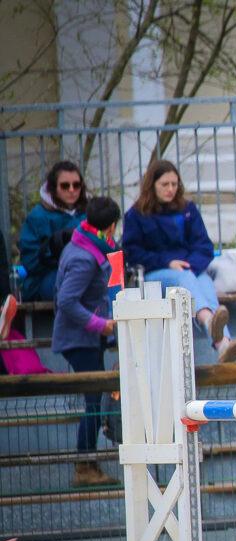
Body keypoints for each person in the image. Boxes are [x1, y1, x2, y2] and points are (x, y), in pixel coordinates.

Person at [123, 160, 236, 363]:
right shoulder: (136, 215)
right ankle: (210, 322)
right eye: (165, 184)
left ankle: (223, 344)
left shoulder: (187, 209)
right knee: (185, 277)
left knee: (204, 283)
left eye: (174, 184)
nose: (171, 189)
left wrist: (189, 264)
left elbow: (204, 246)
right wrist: (168, 262)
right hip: (157, 273)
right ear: (152, 185)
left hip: (190, 270)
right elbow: (133, 252)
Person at [52, 196, 121, 487]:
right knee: (94, 403)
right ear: (111, 226)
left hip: (88, 338)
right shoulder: (83, 256)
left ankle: (88, 462)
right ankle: (84, 465)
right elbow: (66, 301)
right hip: (79, 339)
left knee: (97, 400)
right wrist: (101, 325)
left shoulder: (90, 244)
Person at [18, 160, 89, 301]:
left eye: (76, 185)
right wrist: (53, 250)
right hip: (47, 278)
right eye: (65, 185)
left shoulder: (88, 213)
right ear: (53, 187)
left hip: (85, 271)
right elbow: (29, 261)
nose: (71, 190)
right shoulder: (37, 216)